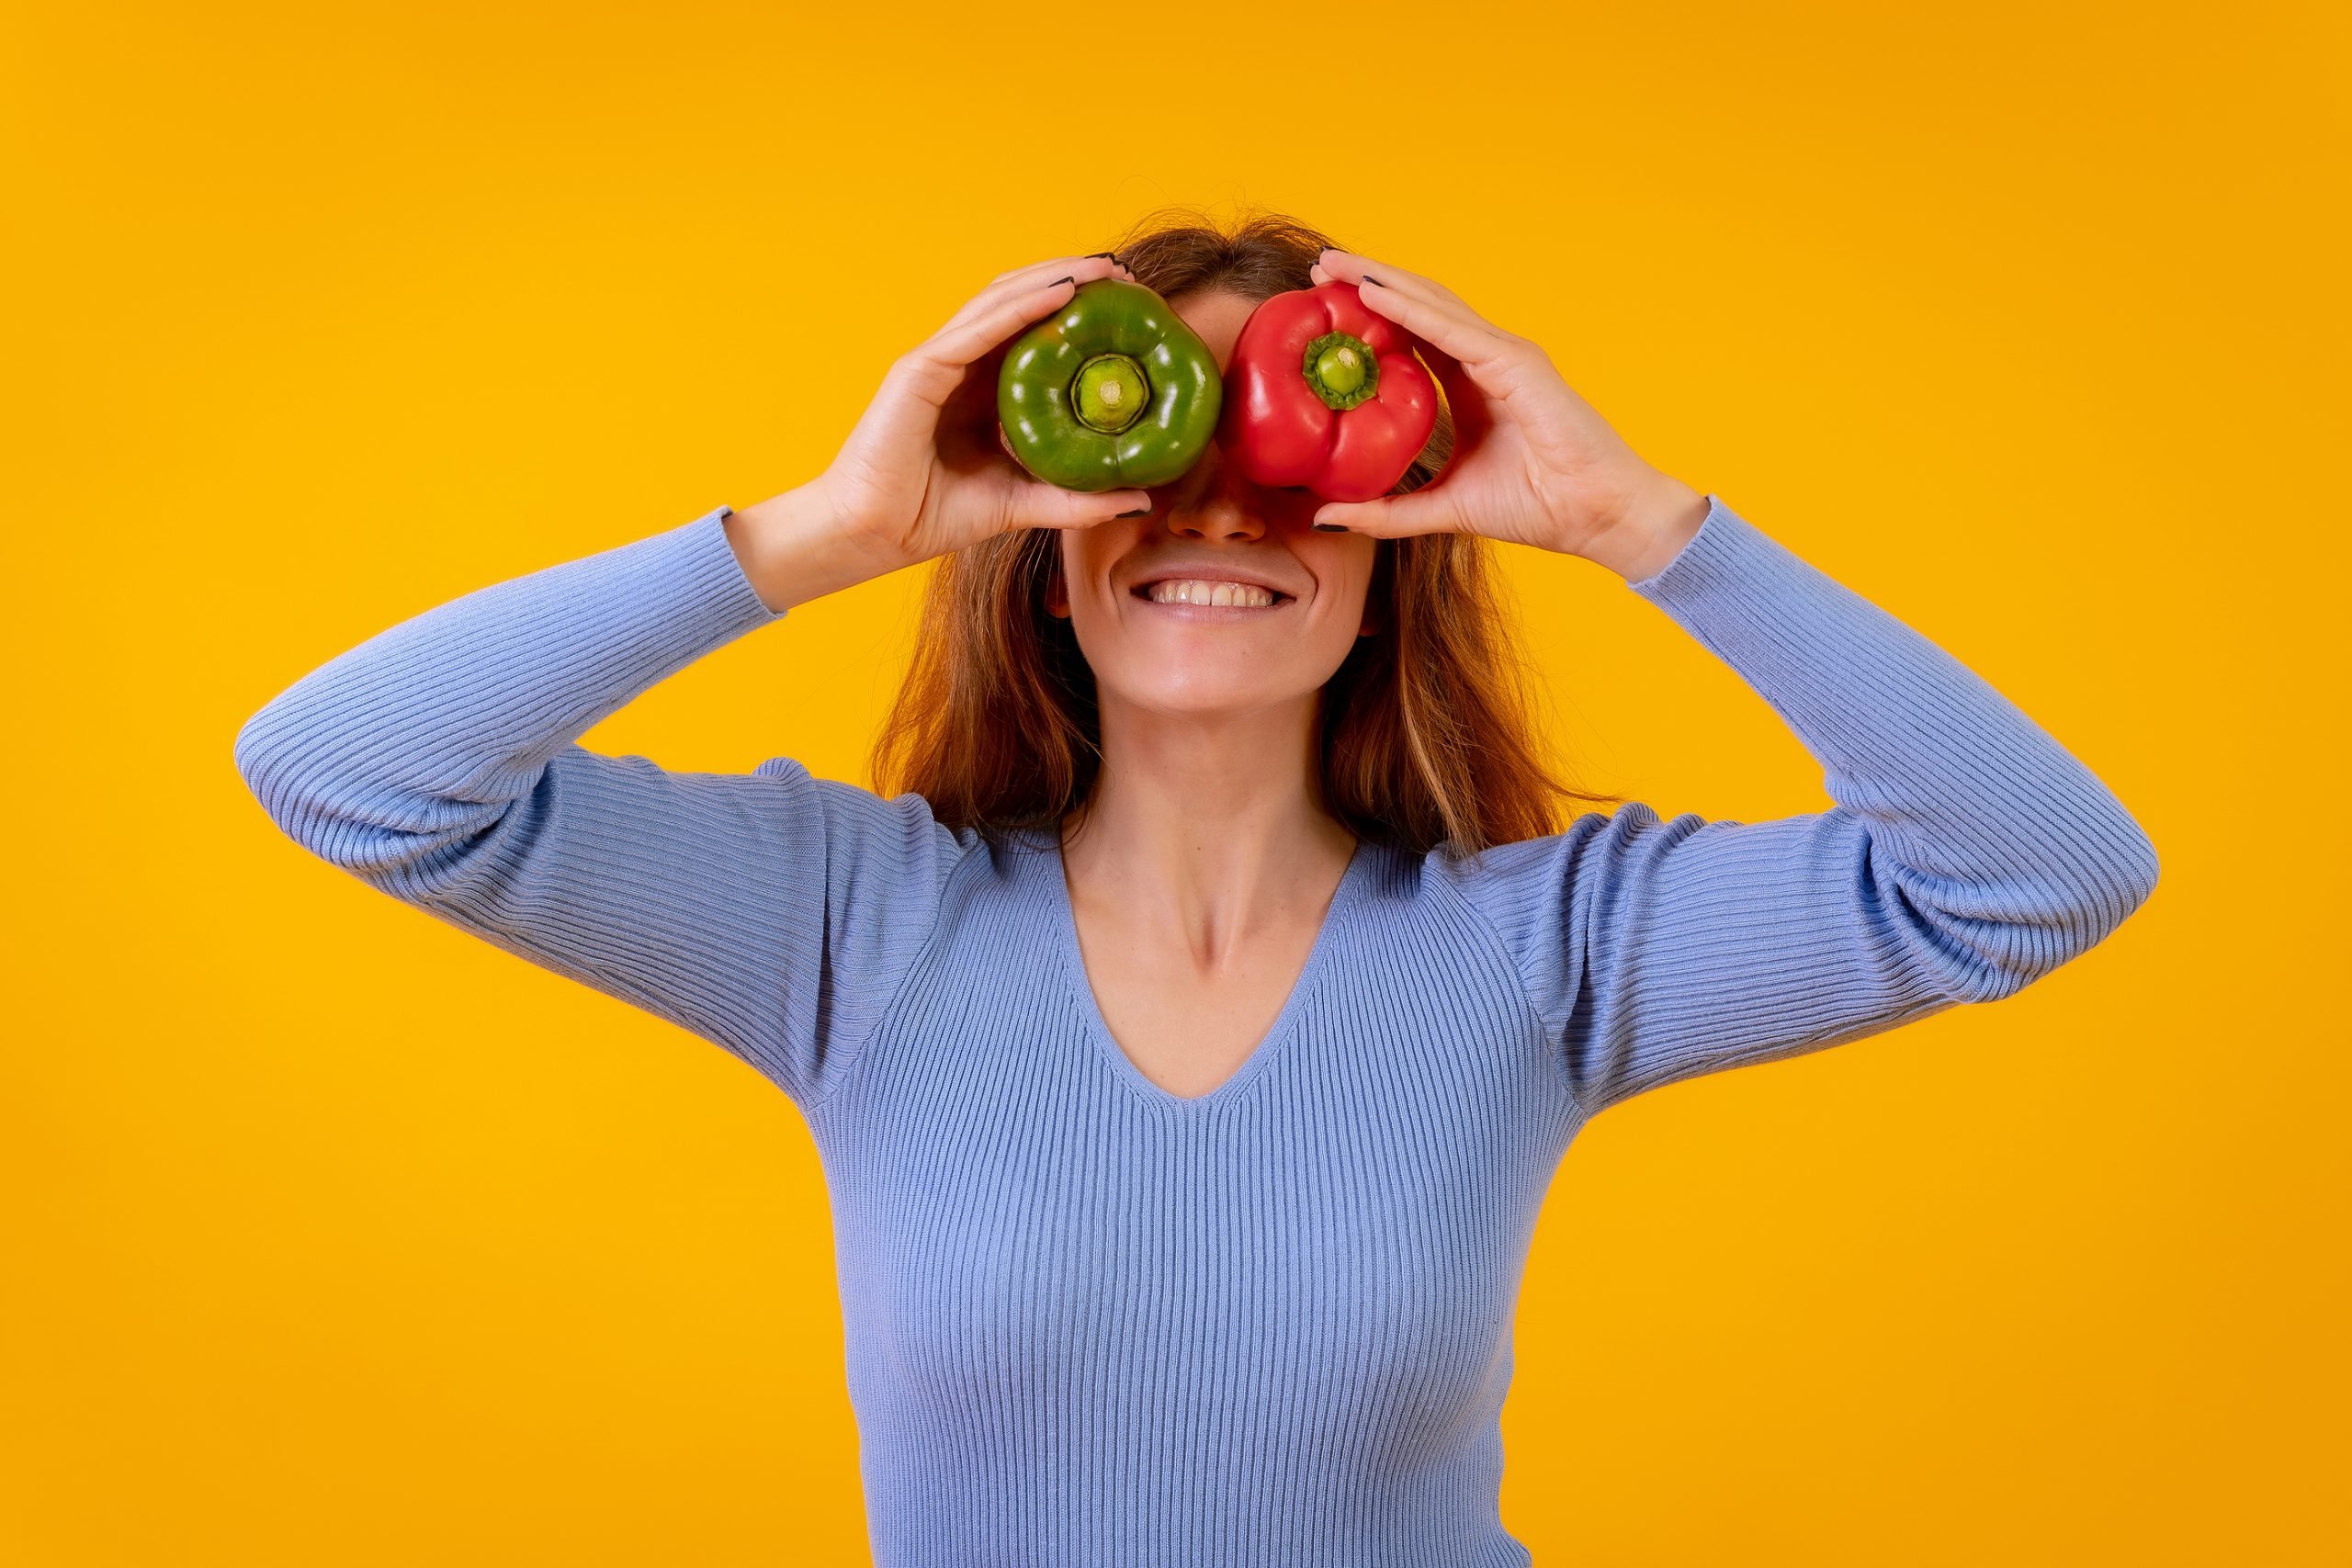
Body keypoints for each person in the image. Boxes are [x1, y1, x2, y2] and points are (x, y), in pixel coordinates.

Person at [232, 211, 2158, 1566]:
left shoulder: (1546, 949)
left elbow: (2036, 875)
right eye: (1149, 439)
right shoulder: (847, 924)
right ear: (1041, 543)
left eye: (1293, 447)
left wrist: (1634, 522)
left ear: (1392, 544)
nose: (1223, 508)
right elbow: (350, 775)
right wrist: (825, 531)